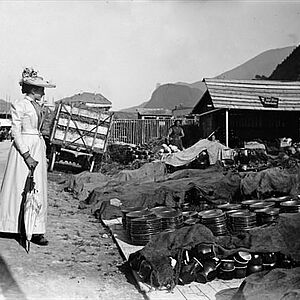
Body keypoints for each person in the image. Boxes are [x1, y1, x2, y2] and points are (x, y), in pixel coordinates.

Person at [0, 67, 55, 246]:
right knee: (18, 185)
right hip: (24, 146)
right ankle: (12, 226)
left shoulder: (40, 107)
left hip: (37, 145)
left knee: (37, 186)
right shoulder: (20, 105)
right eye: (40, 89)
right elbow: (16, 131)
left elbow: (42, 128)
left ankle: (36, 229)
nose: (43, 92)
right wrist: (26, 154)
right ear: (32, 90)